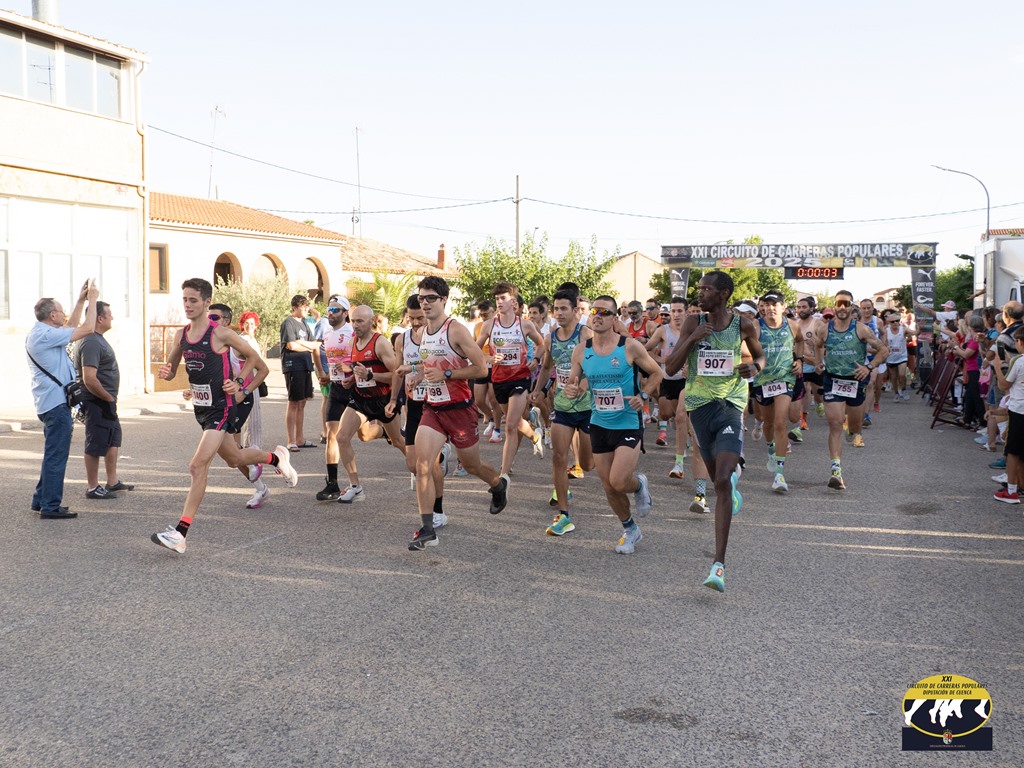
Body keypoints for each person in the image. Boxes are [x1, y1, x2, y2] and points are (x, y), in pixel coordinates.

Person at [152, 278, 297, 554]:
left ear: (207, 302)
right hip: (202, 409)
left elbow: (258, 363)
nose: (187, 305)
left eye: (193, 300)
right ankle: (276, 458)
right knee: (235, 459)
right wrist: (166, 373)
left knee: (197, 466)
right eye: (184, 299)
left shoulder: (221, 334)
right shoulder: (181, 335)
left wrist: (239, 383)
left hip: (222, 408)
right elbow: (171, 371)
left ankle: (180, 533)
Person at [665, 271, 765, 592]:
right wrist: (692, 339)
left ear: (724, 294)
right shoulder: (693, 323)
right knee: (715, 476)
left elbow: (760, 356)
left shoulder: (743, 325)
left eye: (707, 289)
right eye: (699, 288)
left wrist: (755, 367)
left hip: (731, 403)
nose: (700, 293)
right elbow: (670, 367)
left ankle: (718, 565)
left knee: (720, 480)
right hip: (699, 406)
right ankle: (731, 482)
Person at [407, 276, 508, 551]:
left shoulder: (456, 330)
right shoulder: (422, 332)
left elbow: (481, 369)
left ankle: (498, 485)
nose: (425, 303)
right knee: (422, 465)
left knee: (472, 465)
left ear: (443, 300)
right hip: (433, 408)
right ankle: (427, 529)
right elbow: (431, 364)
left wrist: (447, 374)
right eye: (421, 298)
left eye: (431, 298)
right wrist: (418, 375)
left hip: (460, 409)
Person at [563, 296, 663, 555]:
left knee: (619, 480)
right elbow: (574, 383)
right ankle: (630, 529)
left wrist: (643, 396)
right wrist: (572, 390)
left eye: (604, 312)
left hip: (627, 422)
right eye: (594, 311)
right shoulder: (581, 350)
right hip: (599, 423)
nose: (597, 316)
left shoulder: (629, 347)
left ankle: (639, 485)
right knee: (608, 485)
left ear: (614, 318)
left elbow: (657, 373)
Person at [27, 279, 100, 519]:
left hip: (50, 402)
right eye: (60, 311)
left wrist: (80, 300)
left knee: (52, 453)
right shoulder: (46, 335)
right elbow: (87, 329)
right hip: (55, 405)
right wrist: (92, 301)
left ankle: (41, 500)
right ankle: (50, 506)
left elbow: (71, 326)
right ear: (52, 315)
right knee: (56, 456)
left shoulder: (43, 332)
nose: (64, 314)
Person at [532, 289, 595, 535]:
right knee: (558, 457)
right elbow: (547, 368)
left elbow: (597, 367)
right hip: (563, 406)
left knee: (588, 464)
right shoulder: (551, 338)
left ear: (575, 311)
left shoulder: (585, 334)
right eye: (556, 309)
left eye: (563, 309)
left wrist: (582, 385)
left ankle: (571, 482)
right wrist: (538, 390)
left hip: (588, 407)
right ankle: (564, 515)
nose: (558, 313)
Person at [813, 289, 888, 490]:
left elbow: (883, 350)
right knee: (835, 423)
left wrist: (868, 367)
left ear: (851, 307)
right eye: (839, 303)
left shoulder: (862, 329)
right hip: (832, 380)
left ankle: (853, 430)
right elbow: (817, 345)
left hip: (855, 381)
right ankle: (836, 471)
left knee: (854, 428)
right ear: (834, 306)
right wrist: (819, 362)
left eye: (846, 304)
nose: (842, 307)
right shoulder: (825, 329)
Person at [388, 294, 451, 528]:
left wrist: (415, 370)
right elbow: (398, 371)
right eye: (411, 318)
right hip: (413, 403)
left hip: (433, 404)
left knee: (428, 464)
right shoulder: (402, 339)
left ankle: (438, 511)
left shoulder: (436, 337)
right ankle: (441, 454)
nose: (415, 323)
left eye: (419, 318)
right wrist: (393, 399)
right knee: (413, 465)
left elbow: (442, 363)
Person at [333, 304, 407, 503]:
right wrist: (352, 379)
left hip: (383, 399)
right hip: (360, 398)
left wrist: (371, 375)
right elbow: (360, 371)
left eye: (360, 321)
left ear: (372, 321)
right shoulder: (352, 342)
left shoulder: (380, 343)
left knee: (398, 441)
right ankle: (356, 487)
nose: (355, 325)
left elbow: (397, 374)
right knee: (342, 437)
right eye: (353, 321)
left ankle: (423, 468)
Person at [204, 303, 271, 510]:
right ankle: (261, 486)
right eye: (208, 317)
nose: (209, 321)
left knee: (229, 450)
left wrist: (244, 390)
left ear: (225, 321)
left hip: (241, 400)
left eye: (213, 317)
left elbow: (263, 369)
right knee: (231, 455)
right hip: (221, 401)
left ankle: (274, 460)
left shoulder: (237, 344)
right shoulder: (209, 343)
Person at [476, 281, 546, 478]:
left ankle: (504, 474)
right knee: (516, 422)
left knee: (509, 426)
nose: (499, 302)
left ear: (513, 302)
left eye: (503, 298)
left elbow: (541, 344)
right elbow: (474, 349)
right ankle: (535, 435)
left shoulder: (524, 324)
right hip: (499, 380)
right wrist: (488, 358)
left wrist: (536, 359)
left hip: (520, 378)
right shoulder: (489, 325)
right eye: (497, 299)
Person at [74, 300, 133, 500]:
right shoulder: (90, 341)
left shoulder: (97, 339)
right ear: (100, 318)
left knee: (112, 438)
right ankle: (92, 487)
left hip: (106, 401)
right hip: (97, 400)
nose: (112, 317)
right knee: (96, 442)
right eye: (109, 314)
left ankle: (112, 482)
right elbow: (89, 378)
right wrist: (107, 398)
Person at [750, 291, 804, 494]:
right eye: (767, 304)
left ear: (783, 307)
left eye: (775, 304)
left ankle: (779, 474)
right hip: (763, 380)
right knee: (769, 423)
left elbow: (800, 341)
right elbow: (745, 350)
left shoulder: (792, 325)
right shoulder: (756, 326)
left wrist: (799, 360)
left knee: (781, 422)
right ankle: (771, 448)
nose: (771, 308)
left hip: (785, 378)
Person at [313, 296, 356, 500]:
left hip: (354, 388)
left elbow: (364, 359)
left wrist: (350, 369)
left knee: (365, 434)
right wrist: (327, 376)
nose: (330, 313)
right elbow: (330, 359)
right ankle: (332, 484)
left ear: (345, 313)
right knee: (332, 434)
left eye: (335, 310)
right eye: (329, 309)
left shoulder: (352, 333)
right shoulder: (327, 333)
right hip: (336, 389)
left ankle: (384, 430)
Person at [280, 294, 320, 451]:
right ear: (294, 307)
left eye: (307, 307)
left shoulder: (304, 324)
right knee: (294, 402)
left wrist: (301, 343)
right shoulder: (288, 323)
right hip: (293, 366)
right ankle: (291, 440)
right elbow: (291, 345)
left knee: (302, 402)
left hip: (305, 365)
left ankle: (300, 438)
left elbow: (315, 345)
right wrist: (307, 345)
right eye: (303, 307)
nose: (306, 310)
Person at [237, 310, 265, 451]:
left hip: (254, 380)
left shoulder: (252, 339)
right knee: (251, 416)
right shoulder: (242, 340)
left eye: (252, 323)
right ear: (242, 324)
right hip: (248, 381)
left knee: (254, 416)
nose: (249, 326)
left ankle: (253, 446)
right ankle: (252, 447)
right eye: (246, 323)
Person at [882, 308, 914, 402]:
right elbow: (883, 342)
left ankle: (904, 389)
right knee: (894, 378)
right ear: (888, 322)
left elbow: (912, 335)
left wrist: (919, 329)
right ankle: (896, 393)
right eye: (893, 321)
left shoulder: (903, 328)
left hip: (902, 356)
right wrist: (887, 346)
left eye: (897, 321)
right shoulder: (885, 330)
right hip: (891, 357)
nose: (895, 323)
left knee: (902, 374)